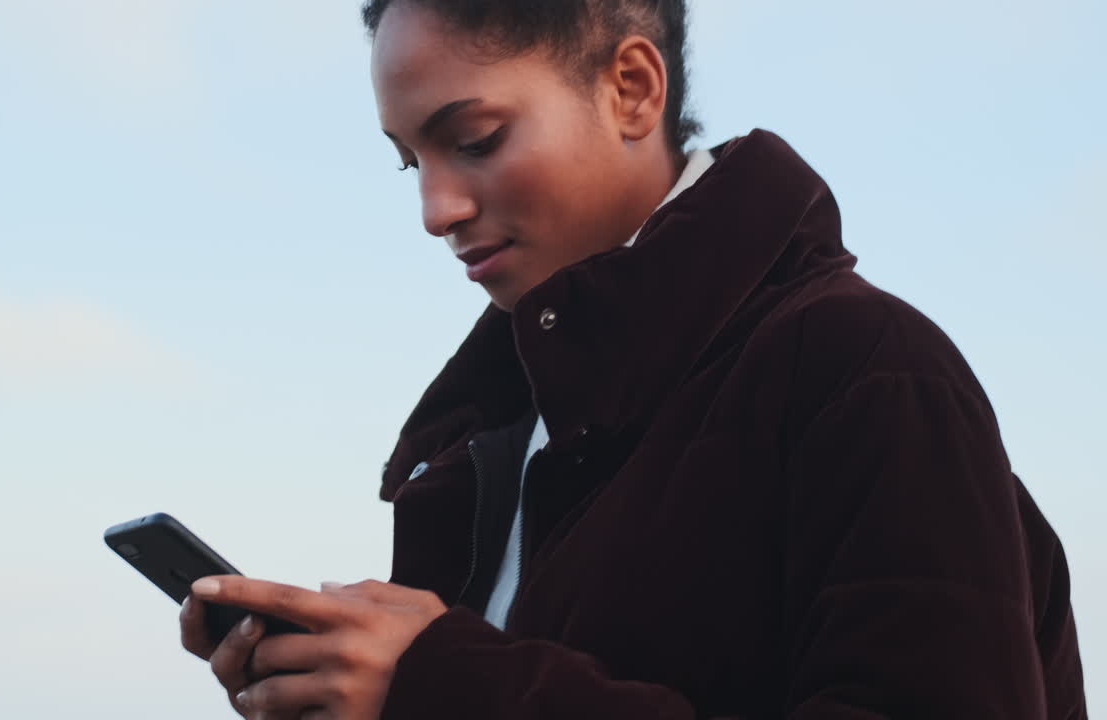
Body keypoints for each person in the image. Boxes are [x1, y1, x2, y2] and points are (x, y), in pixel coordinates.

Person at [179, 1, 1088, 718]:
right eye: (410, 162)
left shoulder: (867, 370)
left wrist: (445, 687)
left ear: (632, 89)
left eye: (475, 140)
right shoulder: (492, 435)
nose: (436, 210)